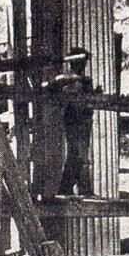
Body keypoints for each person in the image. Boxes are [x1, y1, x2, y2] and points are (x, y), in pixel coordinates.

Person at [48, 48, 95, 196]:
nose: (83, 66)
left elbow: (89, 100)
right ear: (73, 64)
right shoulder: (66, 80)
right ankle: (66, 189)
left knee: (81, 156)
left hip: (84, 122)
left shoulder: (85, 81)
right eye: (80, 63)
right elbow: (51, 88)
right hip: (74, 122)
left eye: (83, 63)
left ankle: (80, 189)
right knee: (76, 155)